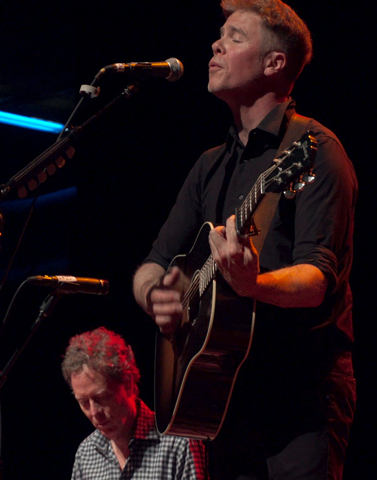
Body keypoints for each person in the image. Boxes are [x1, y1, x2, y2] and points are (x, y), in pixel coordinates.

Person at [132, 1, 357, 478]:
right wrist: (158, 296)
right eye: (220, 34)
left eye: (235, 37)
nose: (216, 44)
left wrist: (254, 284)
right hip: (221, 393)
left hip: (299, 399)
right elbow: (151, 264)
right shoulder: (209, 165)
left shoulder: (314, 151)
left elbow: (317, 278)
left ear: (274, 63)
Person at [62, 327, 207, 479]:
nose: (94, 412)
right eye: (84, 402)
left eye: (102, 397)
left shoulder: (179, 445)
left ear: (128, 384)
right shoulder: (86, 454)